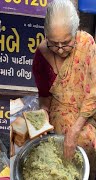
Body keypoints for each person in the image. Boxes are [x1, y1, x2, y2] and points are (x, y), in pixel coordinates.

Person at [32, 0, 96, 178]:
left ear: (76, 32)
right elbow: (45, 98)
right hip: (62, 108)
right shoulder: (42, 55)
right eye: (54, 43)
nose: (59, 50)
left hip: (90, 103)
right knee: (85, 143)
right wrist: (43, 114)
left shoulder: (86, 43)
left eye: (66, 43)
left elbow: (93, 90)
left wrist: (76, 129)